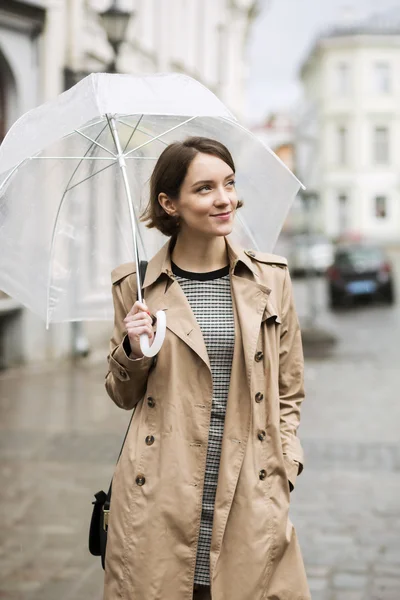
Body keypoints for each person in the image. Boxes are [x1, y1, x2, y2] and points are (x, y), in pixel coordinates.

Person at [103, 137, 310, 600]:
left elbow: (289, 388)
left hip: (248, 488)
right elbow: (122, 395)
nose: (225, 199)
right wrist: (134, 350)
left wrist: (284, 464)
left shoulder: (271, 279)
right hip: (160, 488)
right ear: (169, 203)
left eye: (230, 183)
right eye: (204, 188)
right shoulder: (134, 286)